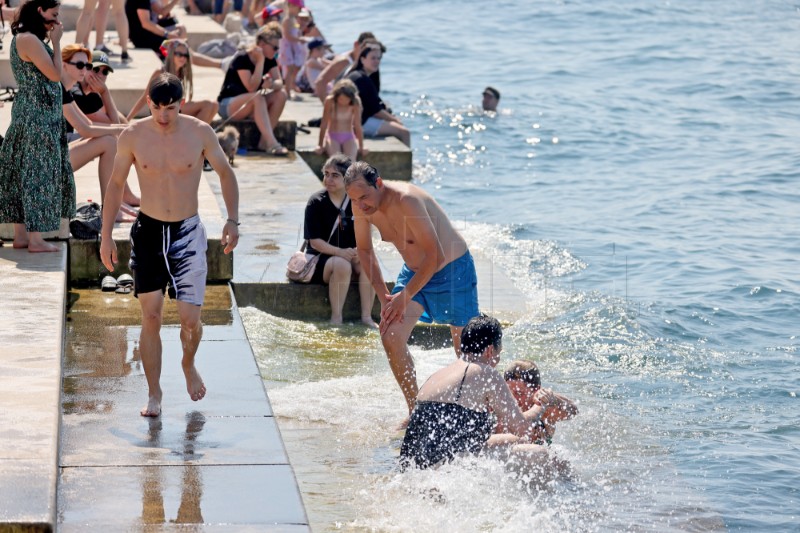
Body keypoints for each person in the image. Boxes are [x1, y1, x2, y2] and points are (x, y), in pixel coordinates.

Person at [99, 73, 240, 417]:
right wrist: (105, 235)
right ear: (149, 102)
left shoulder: (200, 132)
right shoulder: (133, 135)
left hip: (187, 233)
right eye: (158, 108)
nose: (164, 116)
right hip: (147, 232)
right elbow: (116, 183)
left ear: (181, 103)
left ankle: (188, 364)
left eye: (172, 108)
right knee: (151, 316)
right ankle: (154, 393)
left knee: (190, 320)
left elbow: (225, 172)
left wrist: (232, 220)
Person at [344, 161, 480, 415]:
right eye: (353, 199)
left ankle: (470, 413)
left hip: (452, 271)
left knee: (468, 353)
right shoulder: (360, 206)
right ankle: (415, 411)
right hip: (415, 273)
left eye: (364, 196)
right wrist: (385, 297)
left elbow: (435, 255)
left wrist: (403, 297)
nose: (360, 205)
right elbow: (364, 250)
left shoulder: (407, 200)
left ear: (379, 184)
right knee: (390, 335)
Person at [400, 315, 566, 476]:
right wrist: (540, 405)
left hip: (412, 466)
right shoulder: (486, 372)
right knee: (540, 453)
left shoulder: (439, 375)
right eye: (498, 353)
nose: (498, 360)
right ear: (489, 350)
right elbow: (522, 427)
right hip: (443, 465)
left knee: (515, 441)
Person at [0, 0, 73, 253]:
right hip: (37, 115)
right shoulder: (29, 39)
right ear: (40, 11)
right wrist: (57, 41)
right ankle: (35, 239)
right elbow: (55, 74)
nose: (57, 19)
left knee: (24, 171)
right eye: (54, 14)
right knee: (37, 174)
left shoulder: (27, 37)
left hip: (34, 112)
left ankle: (22, 237)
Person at [60, 44, 135, 221]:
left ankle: (118, 201)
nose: (98, 75)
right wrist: (106, 94)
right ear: (63, 65)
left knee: (111, 138)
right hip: (48, 161)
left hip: (60, 148)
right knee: (109, 141)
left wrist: (119, 127)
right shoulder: (71, 92)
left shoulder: (67, 91)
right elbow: (87, 129)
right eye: (81, 66)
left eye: (86, 66)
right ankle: (113, 207)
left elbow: (92, 126)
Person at [303, 155, 377, 326]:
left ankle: (366, 317)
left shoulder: (357, 202)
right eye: (326, 174)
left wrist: (360, 251)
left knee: (369, 263)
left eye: (335, 175)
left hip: (349, 255)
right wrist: (340, 253)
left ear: (347, 179)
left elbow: (366, 234)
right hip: (320, 259)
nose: (328, 179)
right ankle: (336, 318)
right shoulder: (316, 202)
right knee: (341, 264)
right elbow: (314, 242)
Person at [216, 22, 288, 155]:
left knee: (281, 94)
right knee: (258, 98)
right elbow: (251, 88)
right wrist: (260, 61)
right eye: (274, 48)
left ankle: (263, 142)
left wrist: (271, 84)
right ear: (261, 45)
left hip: (251, 104)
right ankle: (272, 142)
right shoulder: (242, 58)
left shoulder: (270, 59)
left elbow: (280, 82)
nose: (277, 52)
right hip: (228, 105)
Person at [127, 39, 219, 124]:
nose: (183, 58)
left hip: (175, 108)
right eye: (179, 54)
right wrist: (128, 119)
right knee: (208, 105)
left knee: (214, 105)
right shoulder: (160, 72)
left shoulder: (181, 73)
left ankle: (195, 136)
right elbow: (144, 97)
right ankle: (195, 137)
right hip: (164, 109)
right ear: (172, 54)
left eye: (185, 55)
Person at [346, 41, 410, 147]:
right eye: (373, 58)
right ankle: (409, 163)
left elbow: (372, 103)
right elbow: (376, 111)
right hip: (358, 123)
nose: (377, 61)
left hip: (350, 120)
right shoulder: (362, 79)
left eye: (379, 58)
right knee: (404, 132)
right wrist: (395, 120)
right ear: (362, 59)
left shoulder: (356, 75)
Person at [499, 359, 578, 444]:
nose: (513, 398)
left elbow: (573, 411)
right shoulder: (499, 403)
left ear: (536, 389)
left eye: (519, 393)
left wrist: (554, 398)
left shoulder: (545, 411)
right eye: (509, 391)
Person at [313, 31, 375, 104]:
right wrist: (328, 108)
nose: (366, 52)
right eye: (364, 48)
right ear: (356, 44)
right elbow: (320, 82)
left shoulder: (361, 61)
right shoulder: (344, 62)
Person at [314, 79, 365, 162]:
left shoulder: (356, 102)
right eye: (341, 99)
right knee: (336, 161)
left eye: (346, 100)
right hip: (332, 136)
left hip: (348, 136)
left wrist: (361, 147)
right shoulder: (330, 101)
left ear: (351, 98)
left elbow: (357, 125)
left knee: (351, 161)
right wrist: (320, 145)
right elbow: (324, 123)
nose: (343, 102)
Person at [70, 52, 127, 125]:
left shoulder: (92, 94)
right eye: (95, 69)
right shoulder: (76, 92)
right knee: (109, 136)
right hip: (63, 135)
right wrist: (105, 92)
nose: (100, 75)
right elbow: (115, 126)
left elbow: (120, 120)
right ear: (85, 68)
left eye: (105, 72)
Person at [278, 0, 305, 100]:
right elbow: (287, 36)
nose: (299, 10)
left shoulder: (293, 19)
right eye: (298, 8)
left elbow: (295, 32)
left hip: (292, 47)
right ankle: (288, 91)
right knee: (289, 69)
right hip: (287, 47)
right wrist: (299, 39)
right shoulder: (287, 20)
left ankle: (291, 87)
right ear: (290, 6)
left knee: (294, 68)